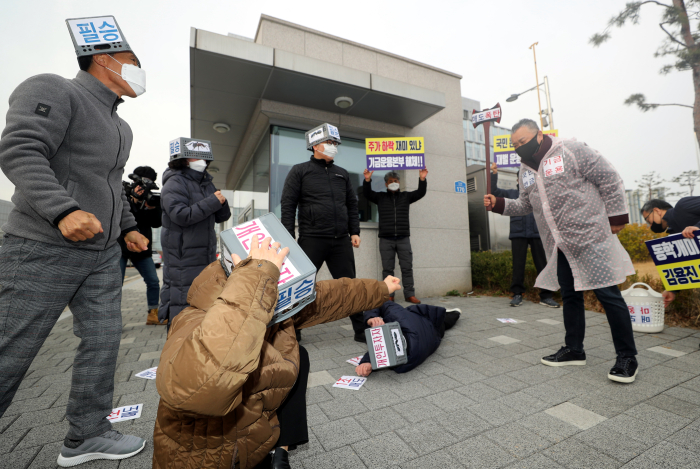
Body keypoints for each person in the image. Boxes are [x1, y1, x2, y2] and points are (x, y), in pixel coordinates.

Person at [0, 16, 150, 466]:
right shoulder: (53, 88)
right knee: (11, 346)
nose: (141, 74)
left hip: (102, 254)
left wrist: (127, 227)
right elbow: (20, 150)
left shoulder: (121, 128)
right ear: (105, 60)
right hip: (42, 246)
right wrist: (63, 210)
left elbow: (112, 183)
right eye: (134, 63)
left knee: (104, 341)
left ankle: (86, 434)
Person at [152, 235, 402, 469]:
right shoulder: (194, 317)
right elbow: (201, 389)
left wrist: (380, 289)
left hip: (248, 440)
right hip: (211, 456)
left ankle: (279, 450)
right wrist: (256, 280)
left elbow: (327, 298)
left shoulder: (270, 300)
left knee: (295, 353)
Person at [484, 118, 639, 383]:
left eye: (523, 141)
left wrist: (617, 218)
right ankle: (574, 349)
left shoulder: (571, 150)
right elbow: (524, 204)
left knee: (608, 295)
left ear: (539, 135)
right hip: (559, 244)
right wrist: (498, 203)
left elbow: (609, 178)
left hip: (590, 237)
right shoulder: (525, 171)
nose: (519, 147)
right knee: (570, 295)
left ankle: (627, 357)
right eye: (515, 145)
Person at [280, 123, 364, 341]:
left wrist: (354, 231)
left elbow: (352, 205)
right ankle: (293, 331)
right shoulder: (300, 170)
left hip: (341, 241)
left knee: (350, 285)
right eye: (329, 142)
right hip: (312, 239)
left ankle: (361, 330)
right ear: (315, 145)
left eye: (335, 143)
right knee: (301, 286)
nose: (333, 146)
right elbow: (288, 204)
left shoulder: (342, 174)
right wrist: (288, 236)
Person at [159, 138, 231, 325]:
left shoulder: (206, 183)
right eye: (195, 156)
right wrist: (213, 201)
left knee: (204, 301)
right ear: (182, 159)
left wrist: (221, 202)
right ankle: (177, 347)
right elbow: (180, 215)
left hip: (205, 255)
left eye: (204, 157)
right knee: (183, 302)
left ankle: (197, 348)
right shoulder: (174, 182)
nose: (202, 161)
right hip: (183, 258)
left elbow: (221, 216)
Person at [490, 162, 560, 308]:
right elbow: (494, 192)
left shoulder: (540, 194)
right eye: (521, 178)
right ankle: (517, 294)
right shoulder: (511, 193)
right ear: (518, 180)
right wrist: (494, 174)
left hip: (537, 232)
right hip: (518, 232)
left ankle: (546, 296)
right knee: (518, 265)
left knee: (542, 265)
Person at [362, 168, 427, 304]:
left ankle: (409, 294)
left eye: (395, 180)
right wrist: (367, 179)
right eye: (390, 181)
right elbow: (367, 193)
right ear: (386, 184)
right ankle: (389, 295)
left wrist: (422, 178)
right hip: (386, 239)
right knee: (388, 269)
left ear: (399, 182)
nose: (393, 182)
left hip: (403, 238)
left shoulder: (406, 197)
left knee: (407, 267)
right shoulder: (380, 197)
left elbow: (421, 192)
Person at [354, 302, 461, 376]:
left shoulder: (406, 363)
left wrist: (368, 362)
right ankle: (454, 313)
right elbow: (380, 302)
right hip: (428, 321)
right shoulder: (397, 313)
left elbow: (390, 346)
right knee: (444, 318)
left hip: (432, 328)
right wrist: (371, 318)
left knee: (446, 320)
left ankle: (455, 313)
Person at [119, 166, 165, 325]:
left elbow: (157, 223)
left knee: (153, 280)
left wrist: (151, 207)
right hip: (121, 247)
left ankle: (153, 314)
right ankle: (112, 319)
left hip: (142, 248)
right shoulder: (123, 193)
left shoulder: (151, 198)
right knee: (115, 284)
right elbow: (123, 217)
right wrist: (134, 200)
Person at [641, 197, 700, 308]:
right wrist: (672, 290)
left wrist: (697, 227)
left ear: (657, 210)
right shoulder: (674, 235)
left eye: (648, 219)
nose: (650, 225)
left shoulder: (683, 205)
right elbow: (685, 265)